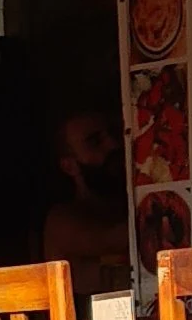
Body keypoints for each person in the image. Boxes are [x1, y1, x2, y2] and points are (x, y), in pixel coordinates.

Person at [42, 108, 129, 293]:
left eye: (114, 134)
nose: (113, 145)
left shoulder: (126, 207)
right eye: (94, 142)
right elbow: (113, 240)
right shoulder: (62, 221)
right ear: (69, 165)